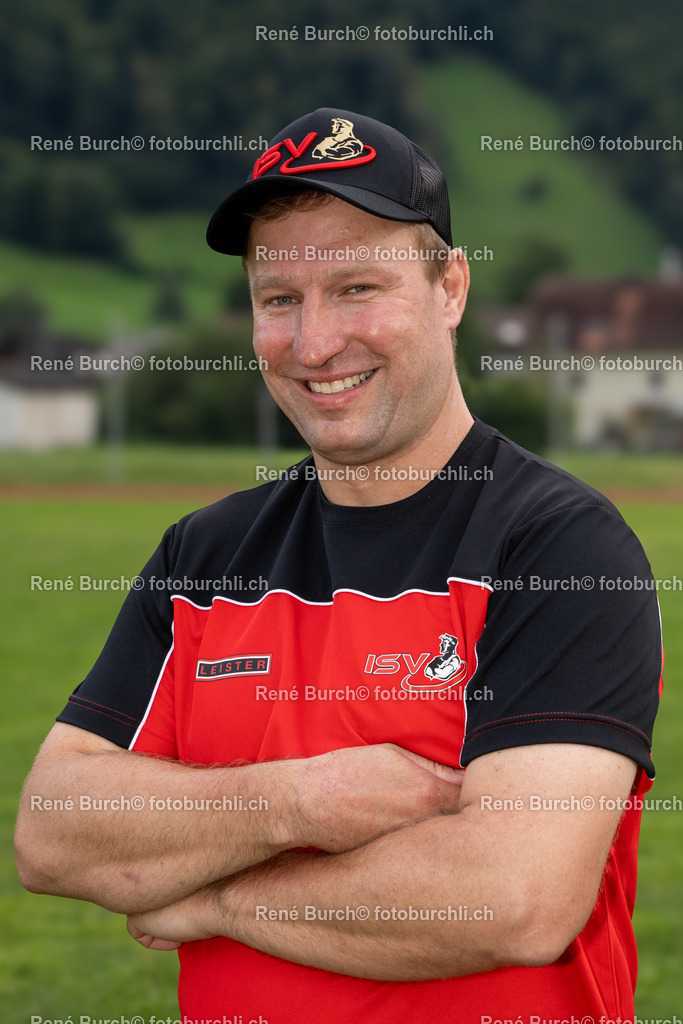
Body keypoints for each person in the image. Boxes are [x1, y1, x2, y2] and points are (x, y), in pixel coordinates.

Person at [15, 107, 662, 1023]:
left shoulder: (558, 548)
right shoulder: (204, 557)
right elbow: (52, 833)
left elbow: (514, 897)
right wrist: (296, 804)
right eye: (279, 299)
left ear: (450, 288)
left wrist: (214, 900)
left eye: (357, 287)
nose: (313, 343)